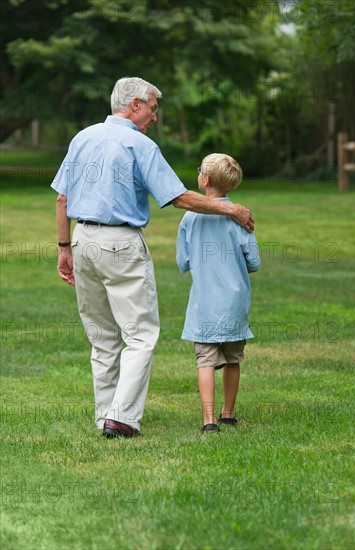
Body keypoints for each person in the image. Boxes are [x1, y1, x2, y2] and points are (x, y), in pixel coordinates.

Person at [51, 77, 255, 439]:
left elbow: (62, 199)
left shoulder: (82, 137)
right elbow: (178, 197)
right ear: (134, 106)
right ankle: (123, 418)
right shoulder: (138, 144)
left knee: (101, 335)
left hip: (82, 240)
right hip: (121, 242)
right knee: (140, 335)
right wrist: (231, 211)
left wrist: (64, 248)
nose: (154, 118)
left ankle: (105, 416)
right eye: (153, 109)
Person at [176, 153, 260, 433]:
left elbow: (183, 261)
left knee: (205, 361)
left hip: (204, 303)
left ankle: (208, 419)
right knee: (233, 359)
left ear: (205, 180)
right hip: (235, 303)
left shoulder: (190, 218)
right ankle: (229, 412)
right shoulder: (241, 216)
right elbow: (254, 262)